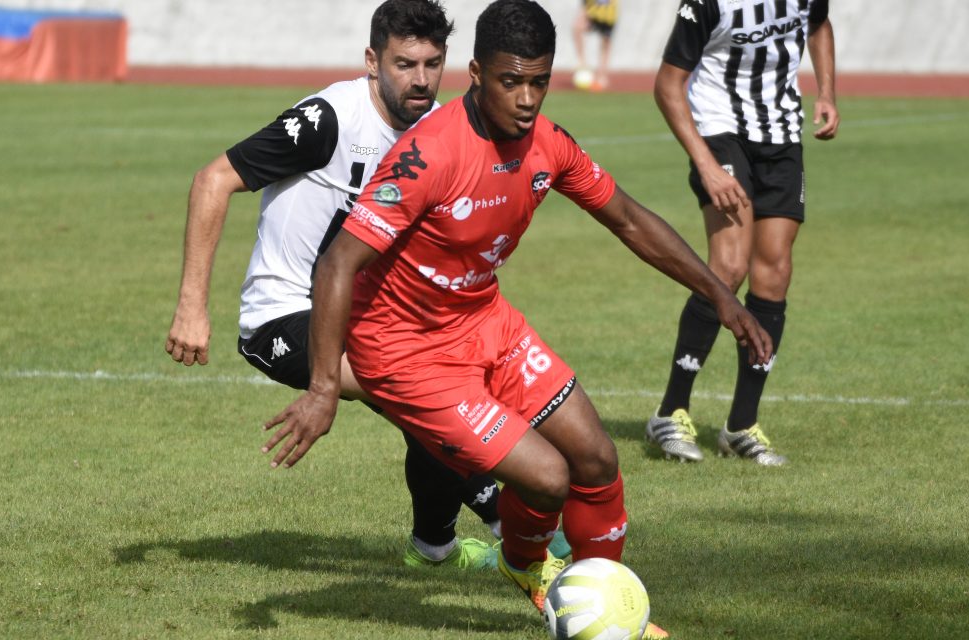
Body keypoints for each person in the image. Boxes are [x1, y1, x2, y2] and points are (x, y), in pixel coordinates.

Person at [262, 1, 772, 636]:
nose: (527, 99)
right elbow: (338, 264)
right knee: (549, 479)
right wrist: (320, 388)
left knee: (597, 460)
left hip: (484, 320)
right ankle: (531, 569)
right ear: (476, 73)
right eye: (511, 81)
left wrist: (721, 295)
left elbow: (630, 220)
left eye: (540, 81)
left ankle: (602, 611)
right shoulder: (428, 156)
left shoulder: (548, 144)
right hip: (405, 352)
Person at [165, 0, 519, 571]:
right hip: (283, 318)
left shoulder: (438, 131)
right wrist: (191, 308)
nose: (421, 79)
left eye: (432, 64)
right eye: (404, 64)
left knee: (437, 392)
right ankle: (515, 532)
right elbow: (213, 180)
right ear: (372, 60)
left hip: (365, 318)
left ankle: (434, 546)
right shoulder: (330, 119)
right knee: (424, 395)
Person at [644, 0, 839, 466]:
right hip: (719, 130)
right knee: (729, 266)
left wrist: (827, 92)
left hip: (781, 135)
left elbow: (819, 24)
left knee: (774, 273)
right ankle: (669, 413)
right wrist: (707, 166)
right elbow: (668, 85)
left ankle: (740, 426)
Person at [570, 0, 617, 91]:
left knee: (606, 43)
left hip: (608, 13)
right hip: (592, 10)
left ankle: (602, 75)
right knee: (577, 27)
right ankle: (582, 62)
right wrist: (585, 9)